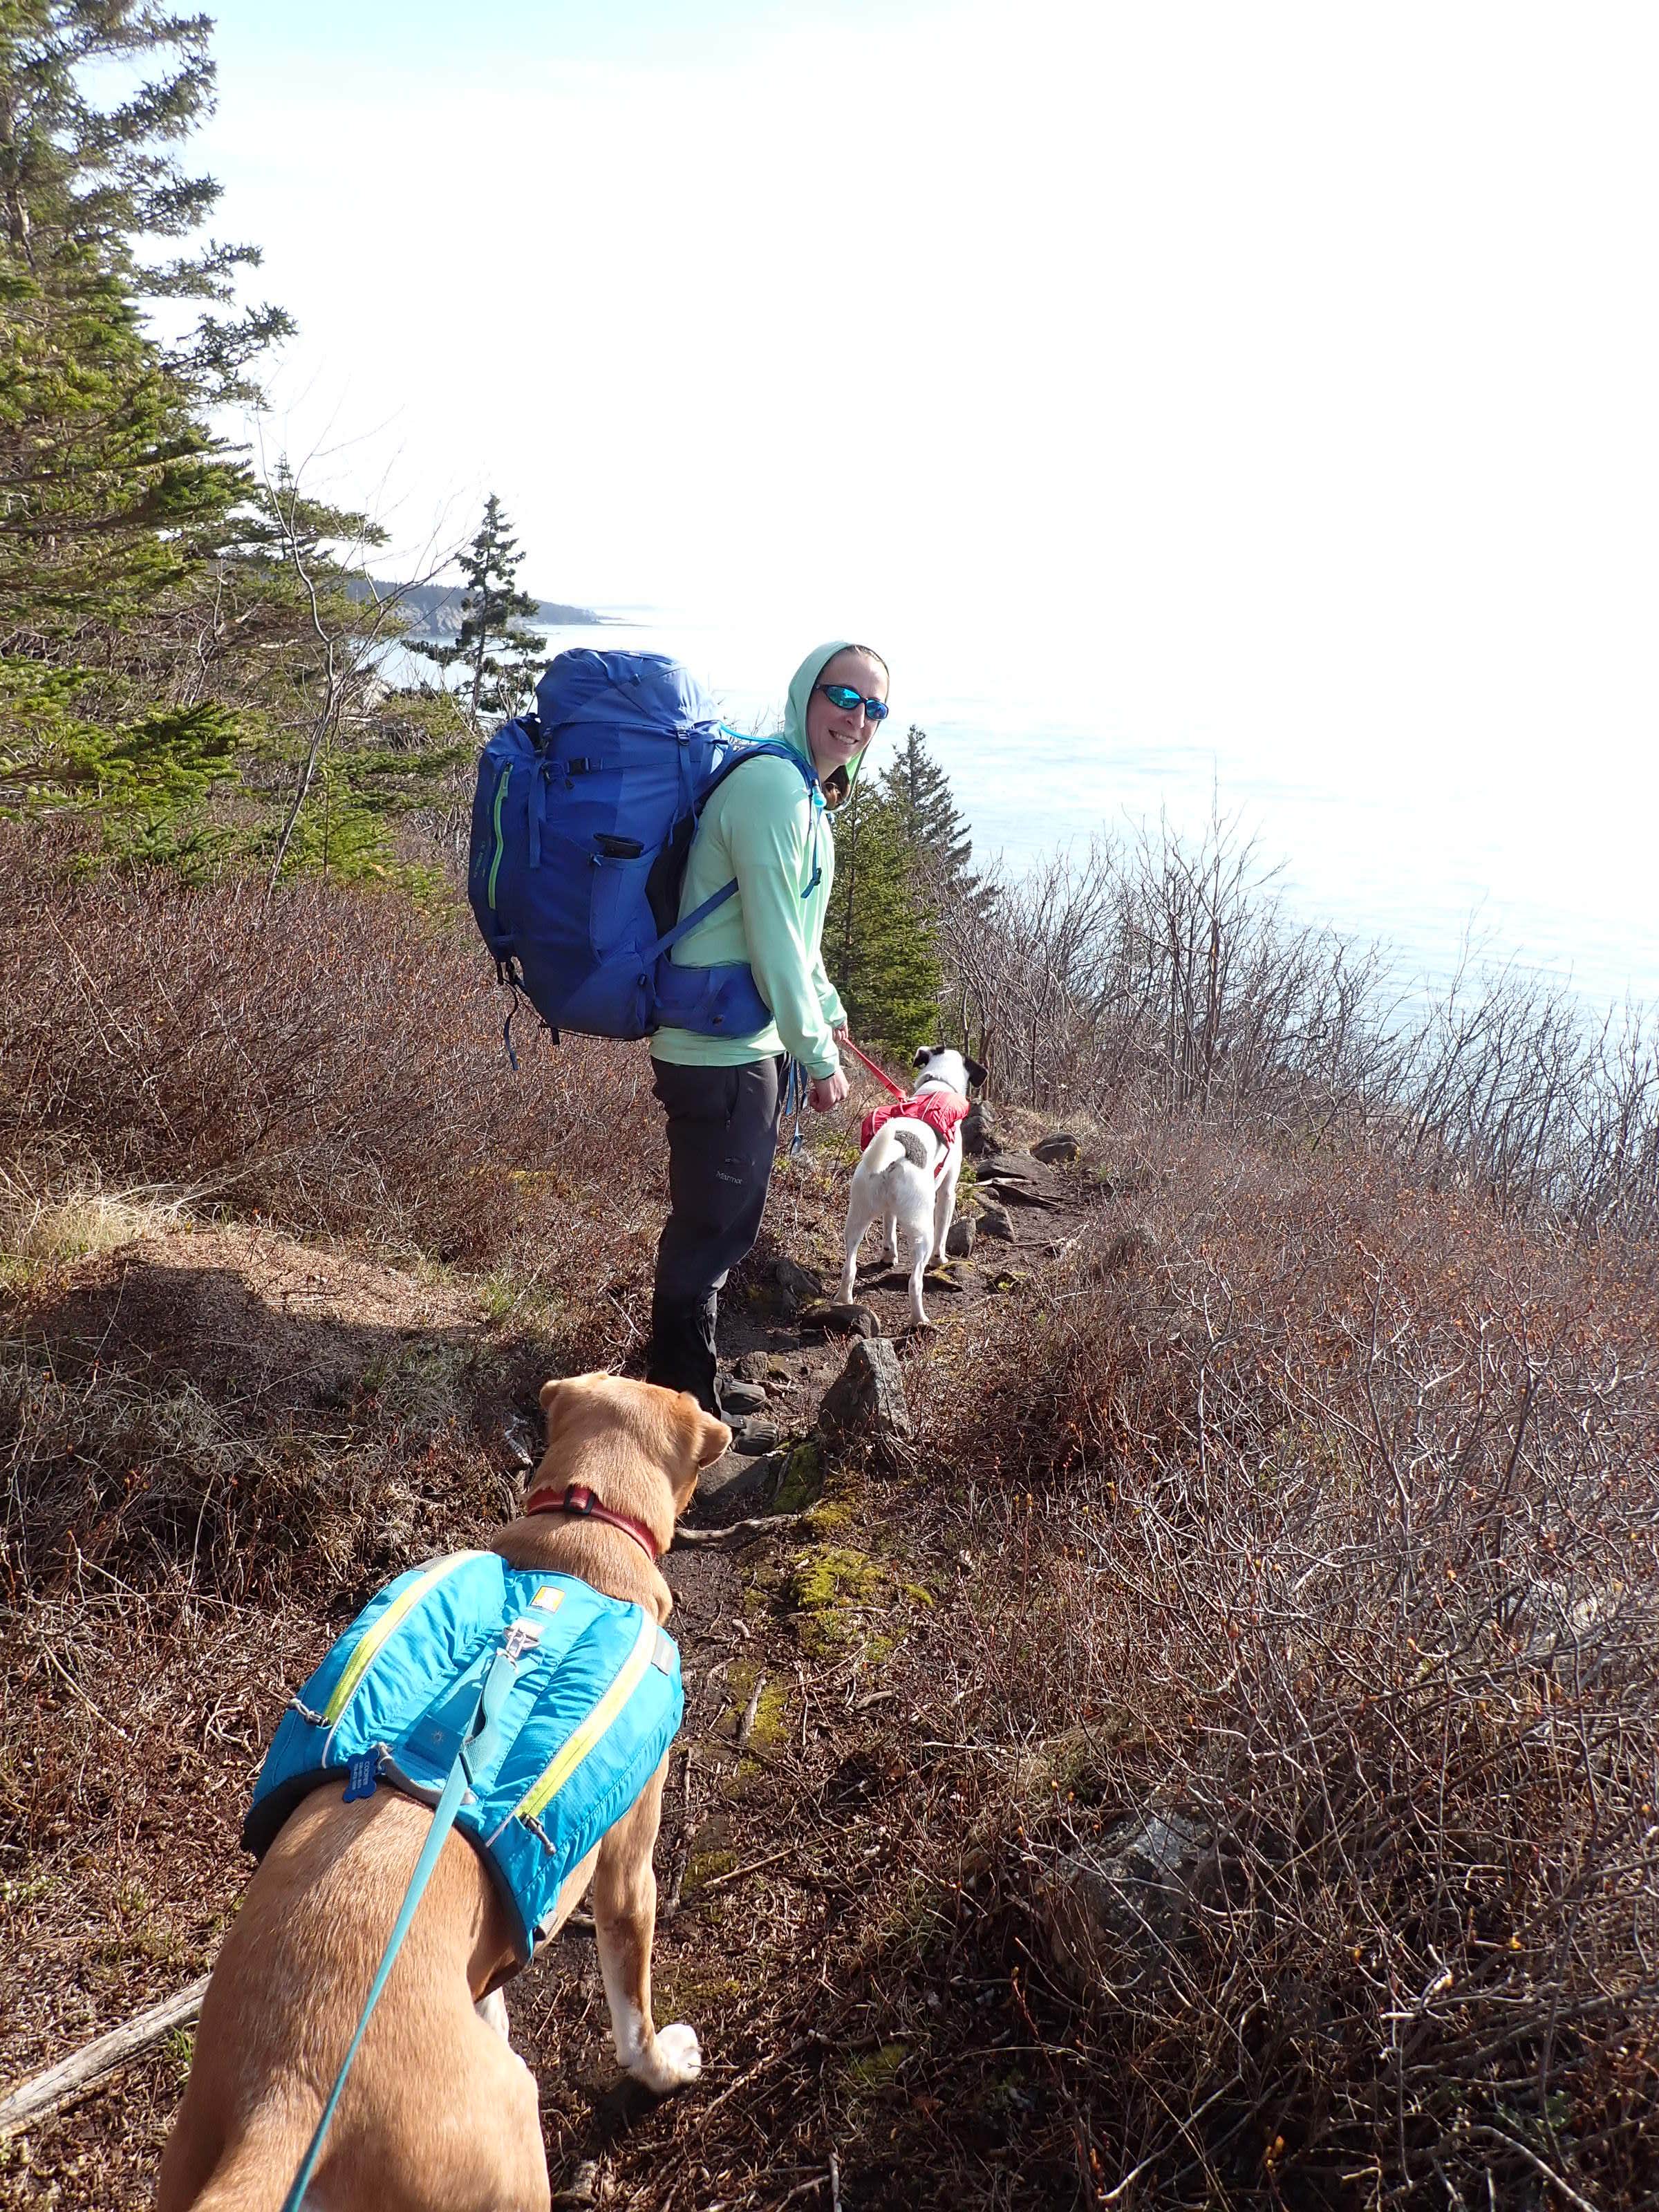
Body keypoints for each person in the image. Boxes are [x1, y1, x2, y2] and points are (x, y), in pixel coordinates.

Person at [644, 639, 890, 1416]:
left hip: (741, 1042)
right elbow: (776, 940)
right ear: (805, 695)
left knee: (722, 1229)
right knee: (708, 1234)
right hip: (717, 1049)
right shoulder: (775, 795)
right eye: (842, 697)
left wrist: (830, 1009)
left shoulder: (807, 800)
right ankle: (681, 1414)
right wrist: (820, 1059)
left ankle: (692, 1390)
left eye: (874, 707)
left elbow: (800, 939)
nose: (857, 718)